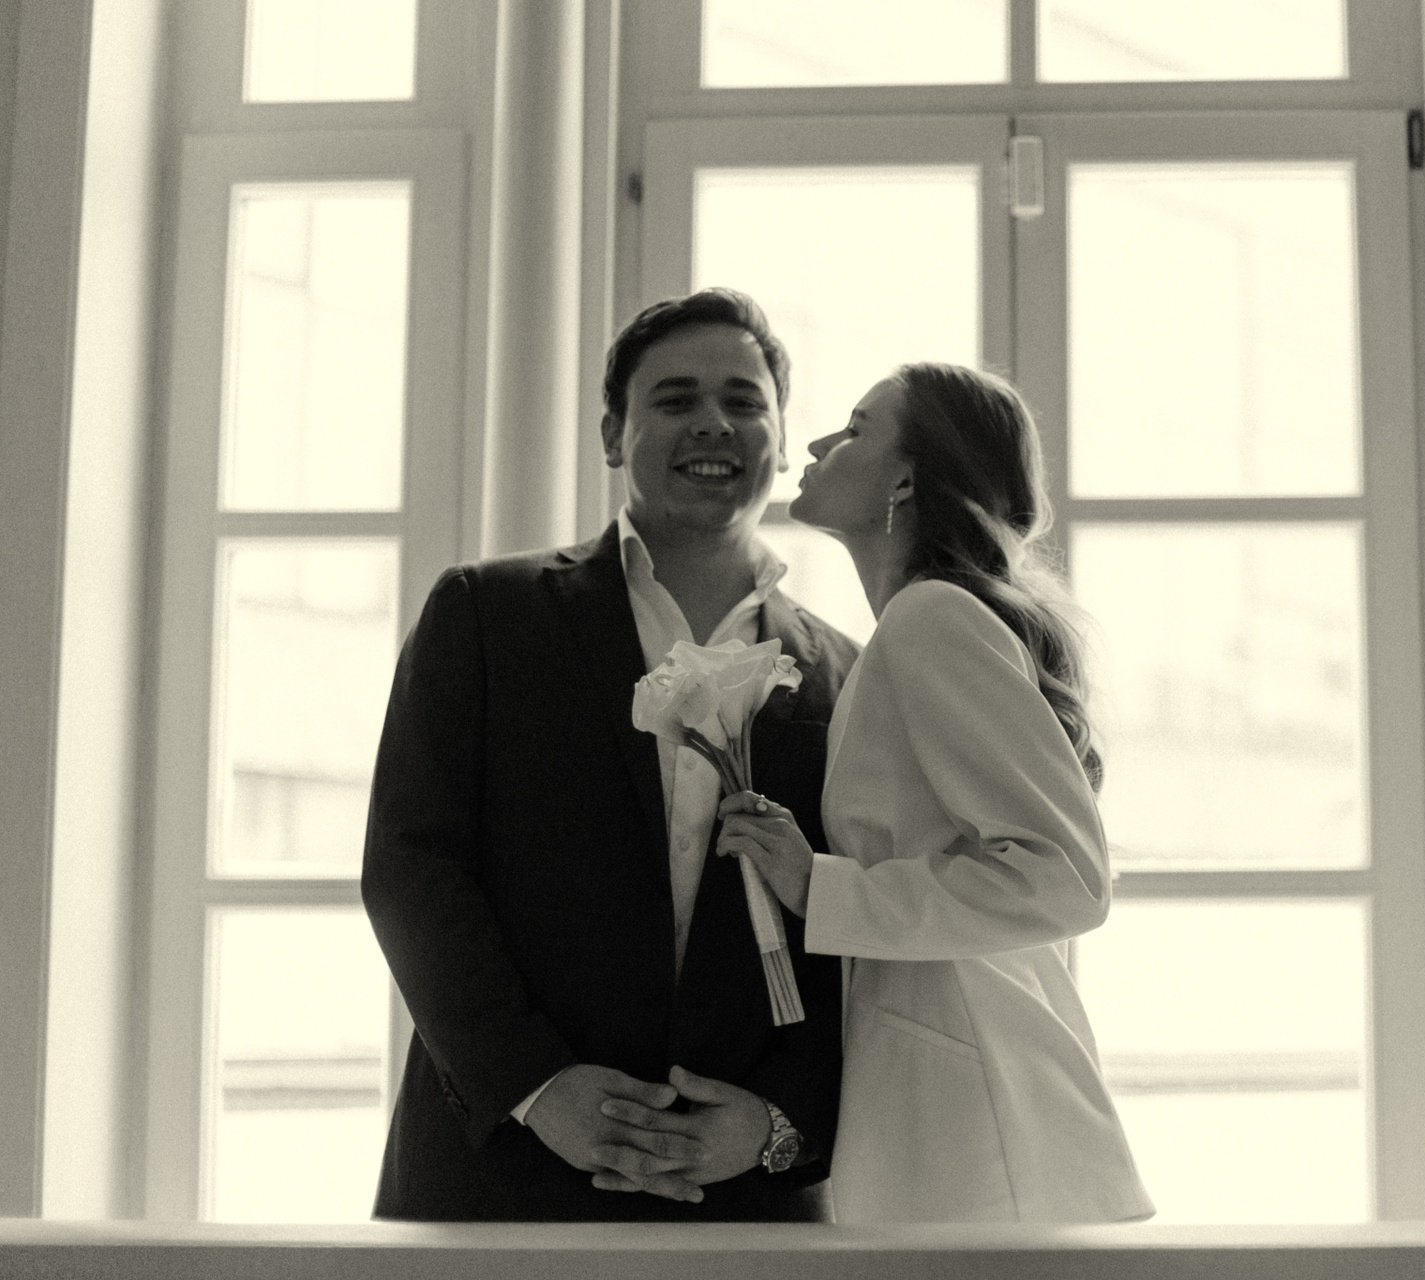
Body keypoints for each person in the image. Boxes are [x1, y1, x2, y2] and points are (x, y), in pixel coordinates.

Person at [360, 288, 859, 1222]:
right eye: (675, 399)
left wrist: (776, 1125)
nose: (713, 422)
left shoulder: (849, 674)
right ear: (611, 436)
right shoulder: (483, 615)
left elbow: (862, 938)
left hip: (747, 1200)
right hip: (497, 1179)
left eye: (743, 401)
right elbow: (411, 869)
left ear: (783, 439)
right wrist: (538, 1087)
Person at [689, 362, 1154, 1222]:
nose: (817, 444)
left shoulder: (932, 618)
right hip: (946, 1084)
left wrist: (820, 887)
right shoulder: (918, 624)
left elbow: (1065, 876)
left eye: (855, 429)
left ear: (906, 479)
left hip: (974, 1103)